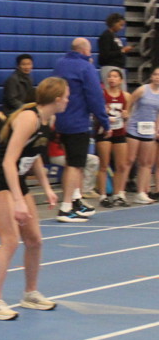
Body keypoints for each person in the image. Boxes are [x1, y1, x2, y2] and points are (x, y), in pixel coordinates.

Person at [0, 77, 68, 320]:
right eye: (67, 97)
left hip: (16, 178)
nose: (68, 100)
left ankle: (30, 293)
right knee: (10, 240)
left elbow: (34, 154)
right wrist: (18, 201)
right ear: (57, 99)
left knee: (35, 240)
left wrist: (47, 187)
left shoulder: (49, 120)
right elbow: (9, 161)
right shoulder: (29, 118)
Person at [52, 38, 110, 222]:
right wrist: (104, 122)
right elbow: (95, 96)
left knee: (73, 162)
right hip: (78, 121)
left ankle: (76, 200)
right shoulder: (86, 67)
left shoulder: (60, 64)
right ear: (85, 51)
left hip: (61, 120)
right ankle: (66, 207)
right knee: (75, 165)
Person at [113, 67, 159, 205]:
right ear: (151, 76)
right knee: (129, 160)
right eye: (155, 74)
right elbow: (130, 101)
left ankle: (141, 193)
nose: (157, 77)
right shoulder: (143, 90)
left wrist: (157, 128)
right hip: (134, 127)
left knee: (145, 162)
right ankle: (120, 192)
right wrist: (127, 114)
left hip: (149, 129)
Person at [99, 69, 132, 207]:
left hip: (119, 132)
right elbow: (96, 114)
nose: (112, 79)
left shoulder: (126, 96)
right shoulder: (102, 94)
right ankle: (103, 196)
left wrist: (126, 116)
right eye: (110, 76)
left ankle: (117, 194)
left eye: (115, 76)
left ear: (121, 80)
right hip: (104, 132)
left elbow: (128, 115)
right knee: (104, 165)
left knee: (121, 165)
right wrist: (103, 114)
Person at [98, 13, 132, 84]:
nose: (121, 28)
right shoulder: (106, 36)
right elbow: (105, 54)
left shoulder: (115, 36)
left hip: (118, 67)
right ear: (114, 23)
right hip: (110, 67)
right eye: (120, 25)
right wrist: (122, 51)